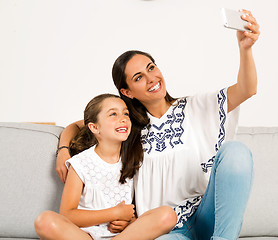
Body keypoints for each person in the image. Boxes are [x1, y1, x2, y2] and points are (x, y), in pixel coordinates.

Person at [56, 9, 260, 240]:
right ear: (127, 92)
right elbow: (78, 125)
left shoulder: (195, 106)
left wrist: (246, 49)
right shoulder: (125, 125)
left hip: (206, 215)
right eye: (138, 77)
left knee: (236, 151)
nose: (151, 78)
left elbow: (247, 89)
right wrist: (64, 150)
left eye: (151, 68)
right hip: (165, 228)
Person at [34, 93, 177, 240]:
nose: (123, 118)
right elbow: (67, 214)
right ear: (94, 127)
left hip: (122, 236)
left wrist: (128, 222)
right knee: (44, 221)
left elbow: (132, 211)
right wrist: (115, 213)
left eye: (126, 113)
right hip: (85, 236)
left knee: (168, 215)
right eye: (113, 114)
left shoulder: (133, 158)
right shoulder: (80, 164)